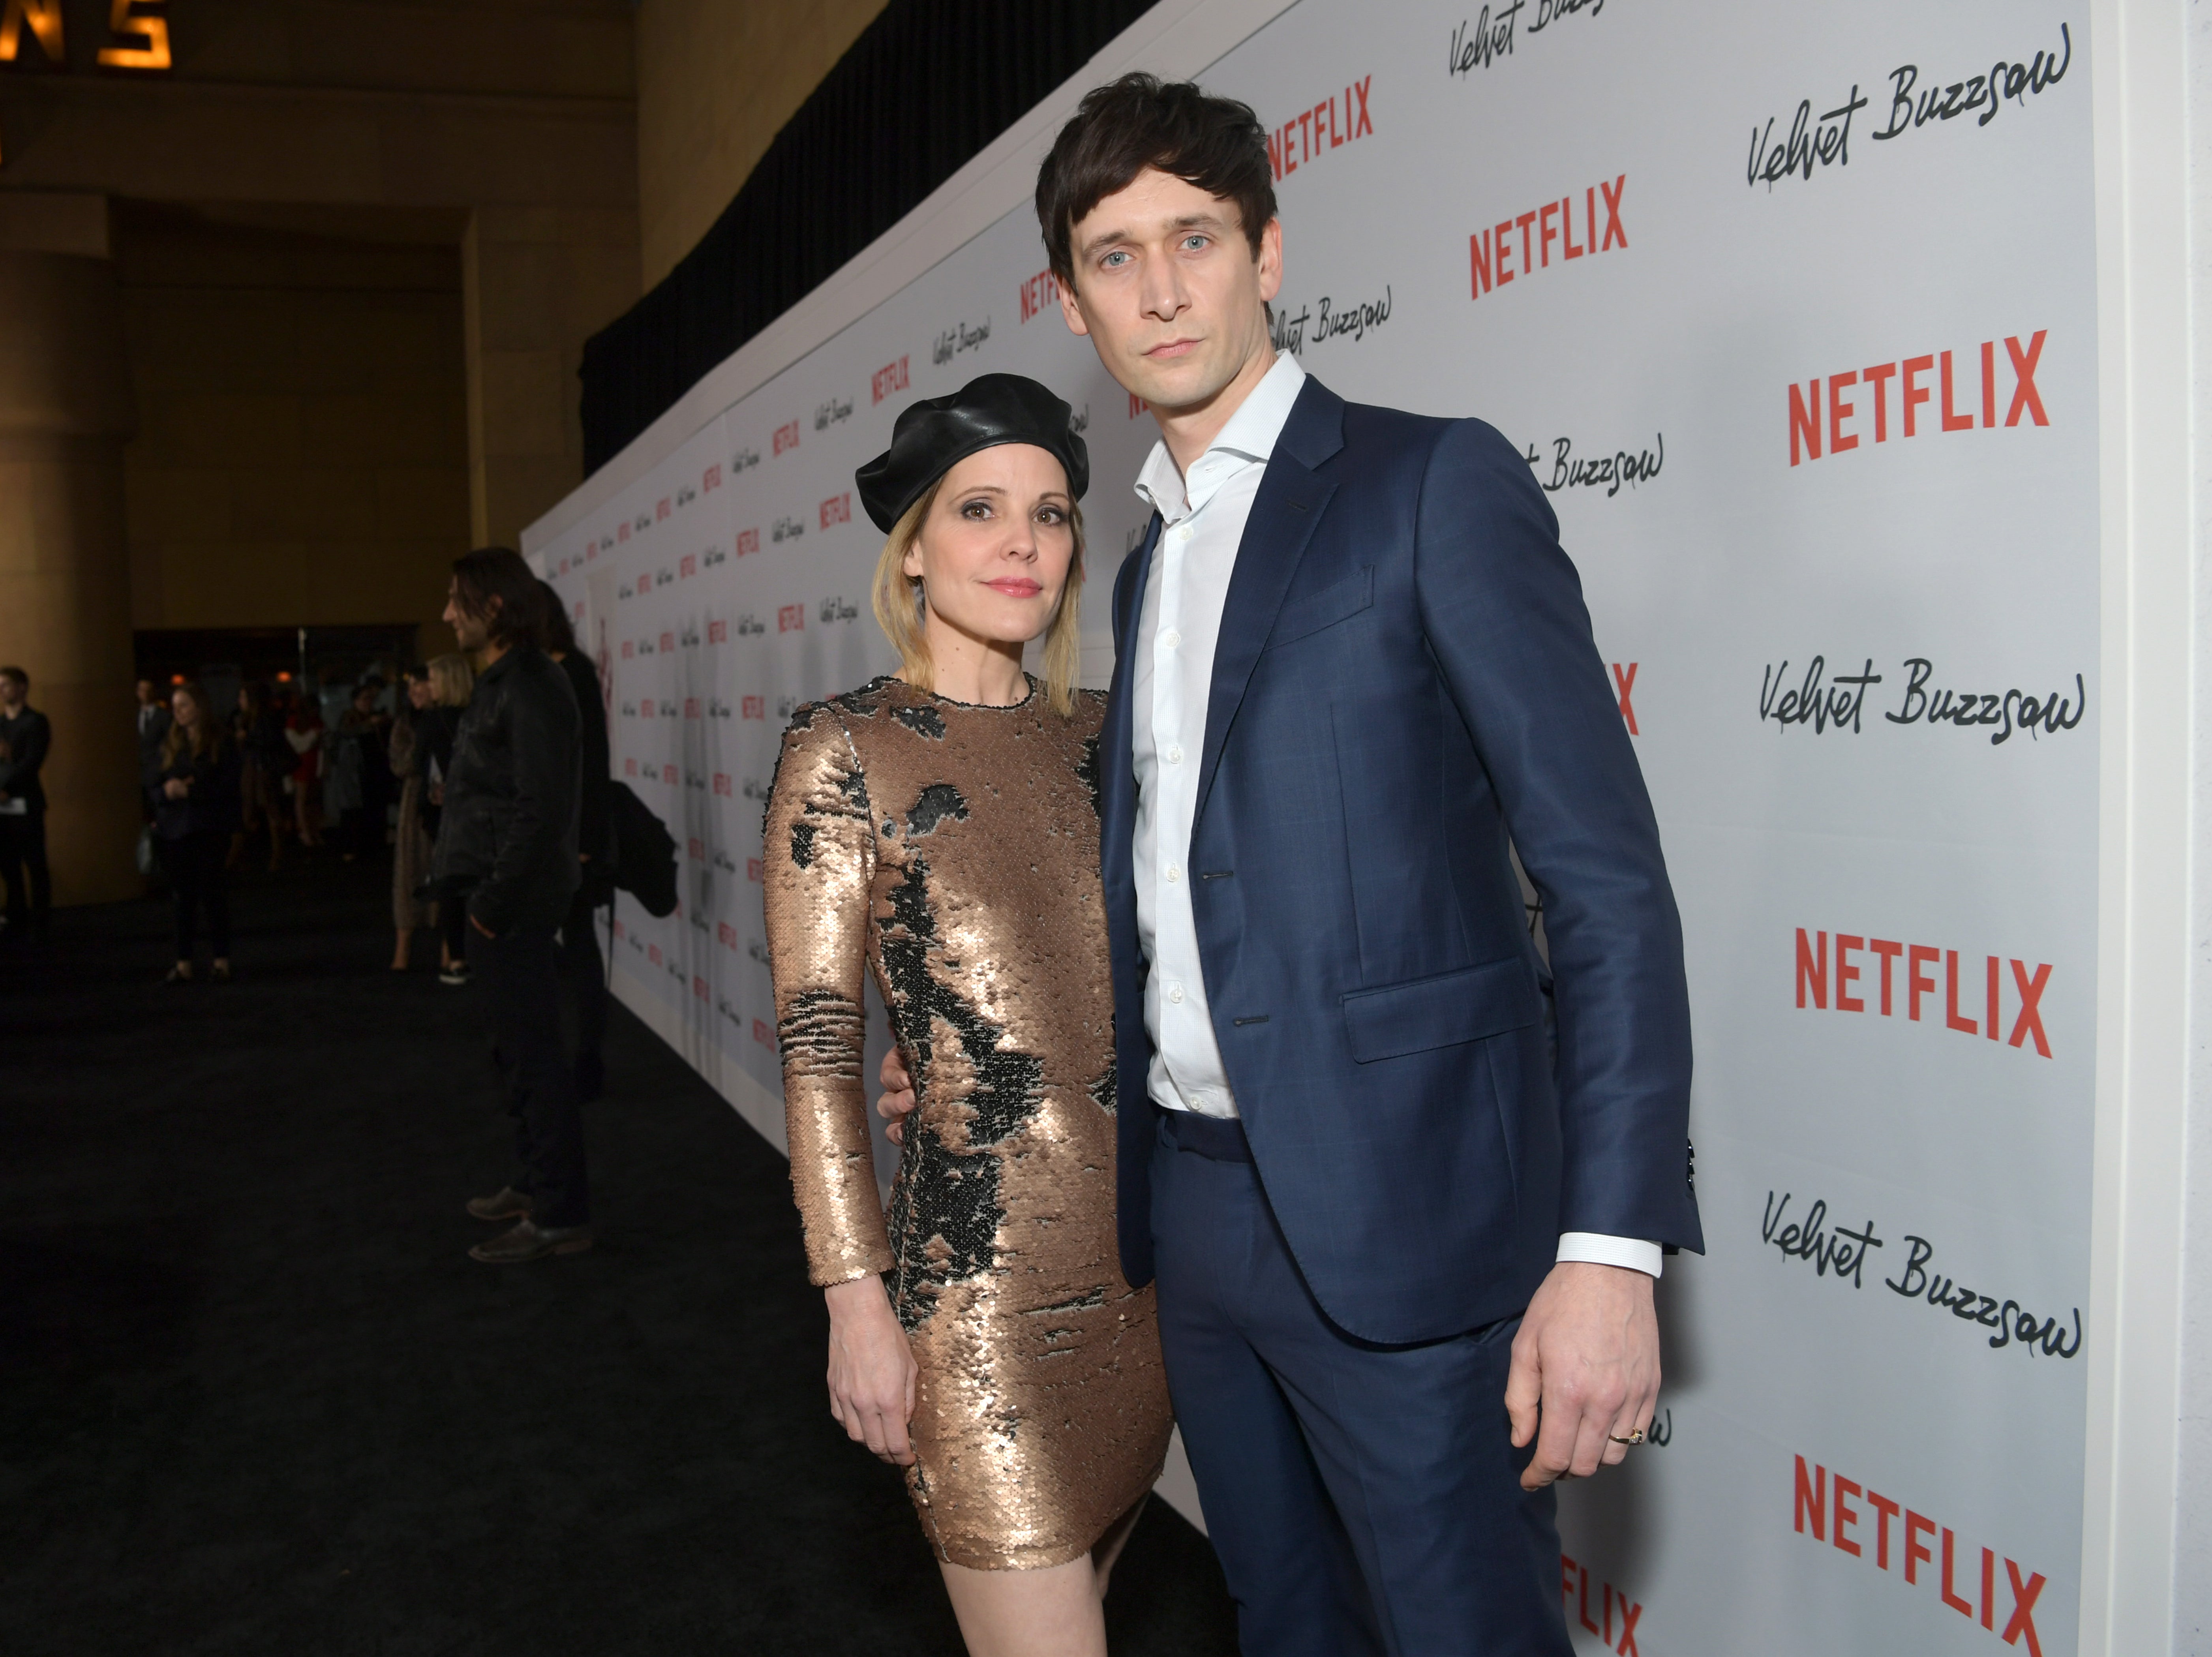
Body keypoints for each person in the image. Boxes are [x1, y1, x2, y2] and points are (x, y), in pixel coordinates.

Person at [884, 78, 1704, 1656]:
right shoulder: (1141, 563)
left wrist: (1604, 1248)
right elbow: (1188, 920)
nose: (1160, 286)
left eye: (1193, 236)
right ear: (1070, 301)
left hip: (1416, 1221)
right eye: (1113, 256)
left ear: (1267, 251)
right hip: (1191, 1223)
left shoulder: (1424, 485)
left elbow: (1602, 882)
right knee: (1281, 1619)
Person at [764, 375, 1172, 1657]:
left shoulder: (1112, 742)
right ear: (916, 547)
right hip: (976, 1303)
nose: (1021, 542)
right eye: (981, 508)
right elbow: (824, 1050)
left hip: (1146, 1287)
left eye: (1050, 514)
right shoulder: (846, 750)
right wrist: (854, 1297)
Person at [432, 547, 587, 1265]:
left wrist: (492, 901)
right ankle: (535, 1185)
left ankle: (559, 1212)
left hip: (514, 905)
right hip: (498, 899)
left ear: (492, 606)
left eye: (456, 601)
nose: (445, 615)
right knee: (515, 1059)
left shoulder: (531, 683)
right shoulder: (505, 681)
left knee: (534, 1061)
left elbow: (541, 807)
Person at [539, 583, 612, 1101]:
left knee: (580, 944)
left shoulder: (575, 671)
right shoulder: (534, 674)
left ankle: (588, 1058)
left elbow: (594, 760)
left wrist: (586, 837)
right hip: (539, 837)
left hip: (571, 840)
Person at [147, 680, 241, 982]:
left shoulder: (221, 742)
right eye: (174, 706)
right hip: (174, 830)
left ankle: (221, 960)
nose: (177, 712)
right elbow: (152, 784)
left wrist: (191, 789)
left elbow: (225, 786)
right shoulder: (169, 743)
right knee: (181, 899)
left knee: (213, 896)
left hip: (208, 827)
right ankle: (184, 962)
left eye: (184, 705)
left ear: (200, 707)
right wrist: (170, 791)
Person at [418, 653, 474, 983]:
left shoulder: (432, 722)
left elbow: (417, 764)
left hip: (449, 817)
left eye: (434, 679)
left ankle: (456, 959)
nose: (428, 686)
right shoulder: (482, 715)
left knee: (452, 888)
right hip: (485, 814)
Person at [388, 670, 439, 971]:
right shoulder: (407, 724)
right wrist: (423, 743)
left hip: (446, 806)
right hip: (414, 808)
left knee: (445, 873)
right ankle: (402, 951)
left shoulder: (453, 718)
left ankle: (451, 951)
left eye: (420, 685)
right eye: (410, 687)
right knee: (409, 876)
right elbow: (401, 764)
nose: (414, 691)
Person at [0, 666, 52, 944]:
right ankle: (16, 914)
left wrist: (5, 786)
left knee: (35, 863)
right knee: (8, 864)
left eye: (6, 684)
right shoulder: (0, 723)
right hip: (3, 807)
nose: (2, 690)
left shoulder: (36, 721)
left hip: (26, 803)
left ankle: (42, 920)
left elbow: (31, 763)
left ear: (22, 687)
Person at [285, 691, 325, 847]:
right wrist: (314, 736)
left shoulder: (316, 722)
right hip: (301, 765)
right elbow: (298, 745)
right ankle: (306, 832)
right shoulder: (295, 722)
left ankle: (313, 831)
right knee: (302, 799)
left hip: (314, 764)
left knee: (313, 800)